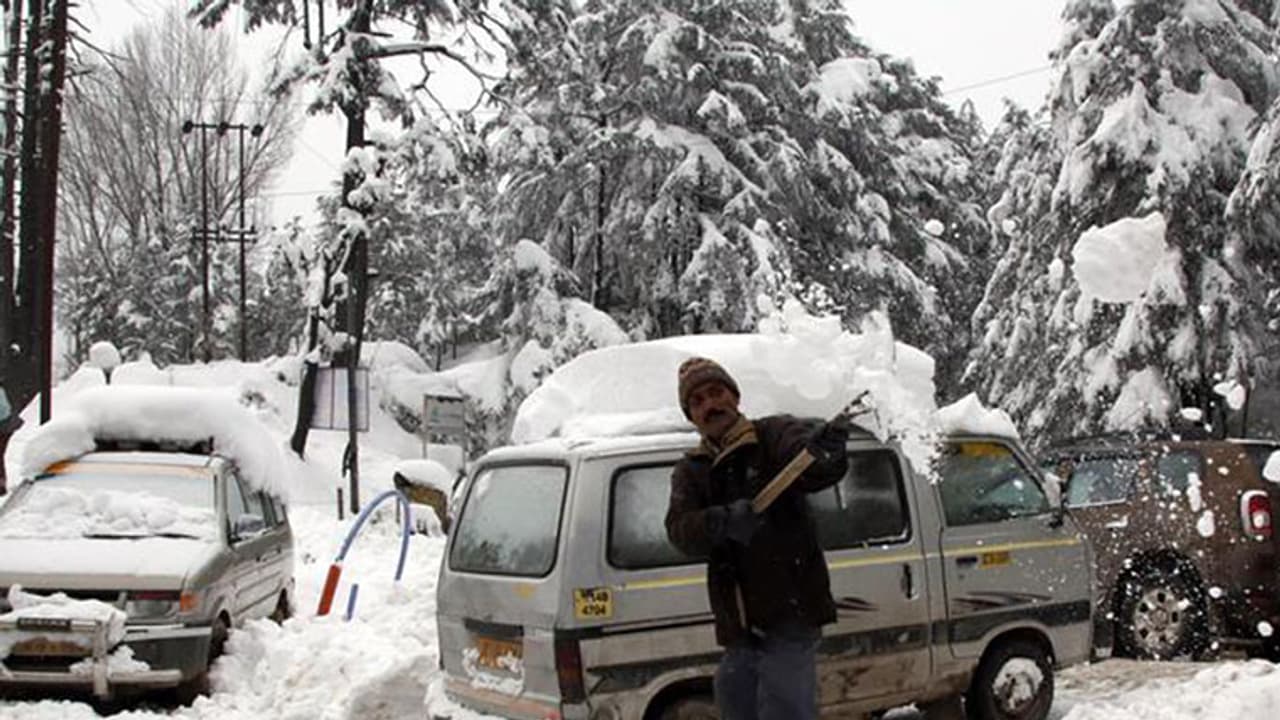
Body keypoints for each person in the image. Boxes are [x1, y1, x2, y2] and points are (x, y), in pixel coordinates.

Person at [665, 356, 850, 720]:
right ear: (691, 415)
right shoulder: (691, 470)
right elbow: (679, 531)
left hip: (791, 612)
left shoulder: (773, 435)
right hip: (739, 625)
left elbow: (809, 465)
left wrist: (825, 455)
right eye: (698, 401)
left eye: (716, 392)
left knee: (785, 710)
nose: (710, 405)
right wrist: (722, 522)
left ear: (734, 396)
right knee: (734, 699)